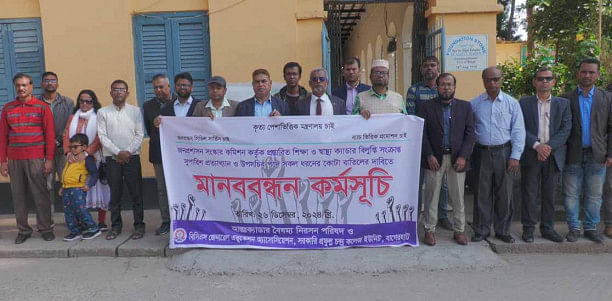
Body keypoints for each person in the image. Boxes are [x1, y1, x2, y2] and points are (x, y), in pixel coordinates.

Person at [470, 66, 525, 244]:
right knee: (481, 194)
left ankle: (503, 230)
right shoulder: (475, 103)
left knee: (505, 194)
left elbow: (518, 131)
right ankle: (481, 230)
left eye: (496, 79)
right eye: (488, 80)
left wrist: (515, 156)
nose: (492, 83)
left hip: (504, 153)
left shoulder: (512, 103)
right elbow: (470, 130)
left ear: (501, 80)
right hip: (482, 153)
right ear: (483, 81)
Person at [0, 73, 56, 244]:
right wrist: (3, 161)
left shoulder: (41, 108)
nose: (21, 88)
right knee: (18, 196)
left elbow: (50, 135)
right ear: (15, 87)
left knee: (41, 195)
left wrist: (49, 159)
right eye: (18, 85)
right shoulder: (7, 109)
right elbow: (3, 137)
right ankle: (23, 230)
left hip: (37, 159)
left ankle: (45, 228)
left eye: (24, 85)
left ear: (31, 87)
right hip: (15, 160)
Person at [421, 73, 475, 246]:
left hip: (457, 159)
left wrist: (463, 156)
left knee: (458, 197)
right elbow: (422, 133)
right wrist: (428, 154)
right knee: (431, 196)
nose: (446, 88)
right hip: (434, 159)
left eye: (449, 84)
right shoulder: (427, 106)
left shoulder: (465, 107)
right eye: (443, 84)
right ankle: (429, 230)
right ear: (437, 87)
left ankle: (459, 230)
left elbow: (470, 134)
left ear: (454, 87)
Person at [518, 67, 571, 243]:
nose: (544, 82)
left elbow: (565, 129)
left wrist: (546, 148)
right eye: (540, 79)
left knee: (549, 195)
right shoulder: (524, 103)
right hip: (531, 155)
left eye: (548, 78)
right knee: (529, 194)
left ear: (553, 82)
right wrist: (536, 146)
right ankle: (528, 229)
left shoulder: (563, 104)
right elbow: (519, 128)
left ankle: (548, 228)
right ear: (534, 82)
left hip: (553, 155)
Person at [563, 58, 612, 243]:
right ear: (578, 73)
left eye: (591, 72)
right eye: (584, 71)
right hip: (573, 154)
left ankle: (591, 228)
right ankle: (574, 228)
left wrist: (610, 153)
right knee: (570, 194)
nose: (587, 75)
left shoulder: (607, 98)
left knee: (594, 195)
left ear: (598, 75)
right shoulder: (566, 98)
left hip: (597, 155)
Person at [97, 79, 145, 240]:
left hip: (132, 157)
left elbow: (140, 135)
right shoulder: (103, 112)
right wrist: (118, 152)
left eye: (122, 89)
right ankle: (116, 226)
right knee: (115, 194)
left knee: (136, 193)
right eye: (115, 89)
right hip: (112, 159)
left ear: (127, 93)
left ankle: (139, 226)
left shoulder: (135, 111)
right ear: (111, 93)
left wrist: (127, 152)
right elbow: (102, 136)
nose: (118, 92)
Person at [408, 56, 451, 230]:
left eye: (433, 65)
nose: (429, 69)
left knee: (443, 183)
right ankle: (416, 215)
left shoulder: (443, 88)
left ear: (438, 68)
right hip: (420, 141)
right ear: (421, 69)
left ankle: (442, 216)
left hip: (441, 143)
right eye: (425, 66)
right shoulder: (414, 90)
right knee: (417, 182)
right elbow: (411, 116)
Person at [62, 90, 111, 232]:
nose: (84, 104)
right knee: (77, 192)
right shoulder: (72, 118)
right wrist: (68, 152)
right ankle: (82, 222)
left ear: (93, 102)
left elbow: (99, 136)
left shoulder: (99, 116)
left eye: (88, 101)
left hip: (93, 158)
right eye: (81, 101)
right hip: (73, 159)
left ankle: (101, 222)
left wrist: (86, 152)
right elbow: (66, 135)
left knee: (99, 191)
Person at [143, 74, 175, 235]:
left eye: (161, 87)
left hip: (179, 155)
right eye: (155, 87)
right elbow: (149, 130)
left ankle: (181, 219)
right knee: (162, 189)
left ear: (169, 87)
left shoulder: (179, 103)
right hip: (159, 153)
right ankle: (166, 221)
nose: (158, 90)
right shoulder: (148, 106)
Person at [40, 72, 74, 217]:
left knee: (67, 183)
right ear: (42, 84)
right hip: (43, 152)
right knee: (46, 187)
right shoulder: (36, 103)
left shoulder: (68, 102)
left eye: (53, 80)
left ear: (57, 84)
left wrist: (59, 140)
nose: (50, 83)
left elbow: (70, 124)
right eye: (46, 80)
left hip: (63, 151)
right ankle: (48, 220)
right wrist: (47, 143)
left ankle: (71, 219)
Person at [59, 133, 101, 241]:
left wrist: (89, 185)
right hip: (67, 188)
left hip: (77, 189)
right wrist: (62, 186)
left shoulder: (86, 159)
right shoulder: (70, 159)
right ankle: (74, 231)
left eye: (75, 147)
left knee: (81, 210)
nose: (73, 149)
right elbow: (66, 173)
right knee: (68, 211)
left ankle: (93, 228)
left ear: (84, 147)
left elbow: (94, 173)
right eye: (71, 147)